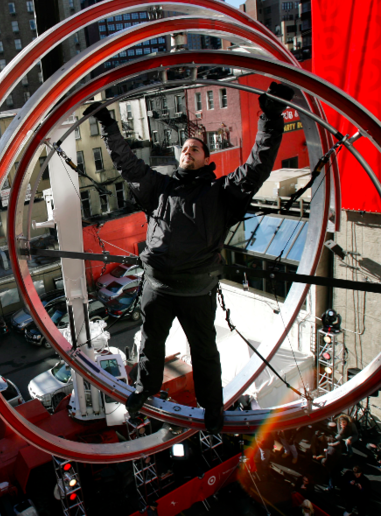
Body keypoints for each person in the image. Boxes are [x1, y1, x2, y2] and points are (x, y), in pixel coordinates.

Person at [83, 82, 295, 433]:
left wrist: (270, 119)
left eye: (195, 148)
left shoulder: (222, 193)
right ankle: (145, 389)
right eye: (184, 148)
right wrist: (106, 122)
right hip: (159, 285)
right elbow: (126, 161)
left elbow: (258, 166)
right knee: (151, 342)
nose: (188, 151)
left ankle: (212, 407)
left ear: (207, 159)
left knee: (204, 352)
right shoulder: (159, 187)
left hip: (197, 289)